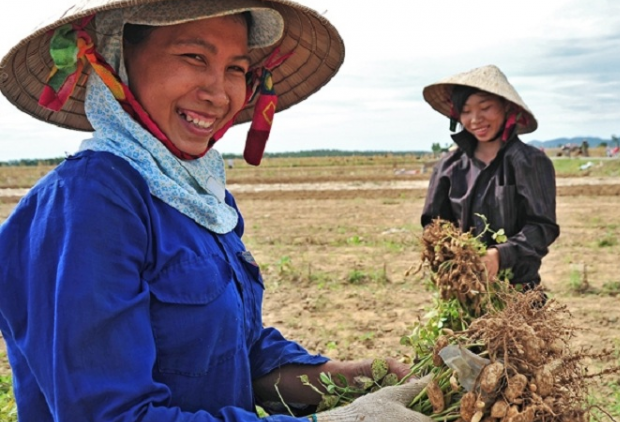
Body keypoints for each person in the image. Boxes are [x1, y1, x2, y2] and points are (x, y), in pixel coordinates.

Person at [0, 1, 431, 421]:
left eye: (236, 69)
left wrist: (354, 379)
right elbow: (110, 414)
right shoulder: (92, 200)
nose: (218, 92)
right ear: (118, 60)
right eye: (194, 57)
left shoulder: (200, 196)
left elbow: (240, 355)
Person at [420, 65, 560, 292]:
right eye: (465, 111)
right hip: (464, 292)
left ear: (506, 107)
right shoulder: (448, 166)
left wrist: (500, 255)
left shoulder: (530, 162)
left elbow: (542, 227)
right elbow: (433, 224)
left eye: (485, 107)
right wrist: (450, 254)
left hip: (517, 296)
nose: (475, 119)